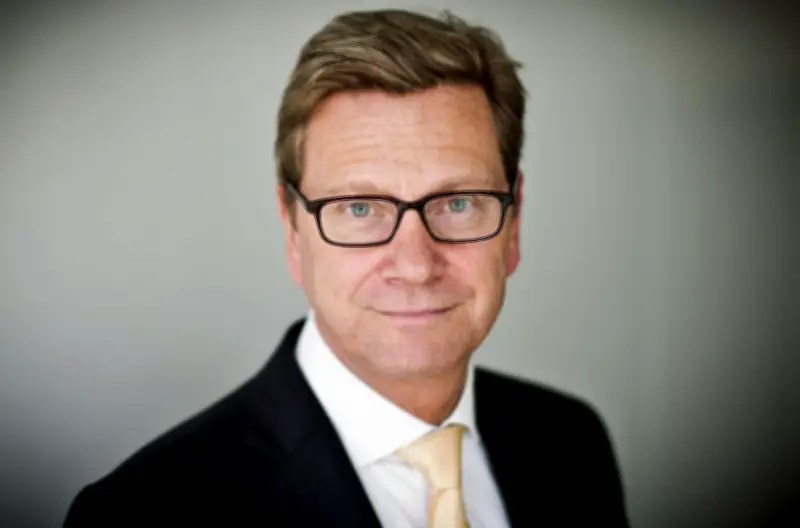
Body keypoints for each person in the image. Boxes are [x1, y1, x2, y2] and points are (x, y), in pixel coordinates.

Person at [63, 8, 629, 527]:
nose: (415, 265)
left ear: (514, 221)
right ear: (293, 229)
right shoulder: (140, 515)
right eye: (359, 208)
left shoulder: (571, 442)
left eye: (457, 203)